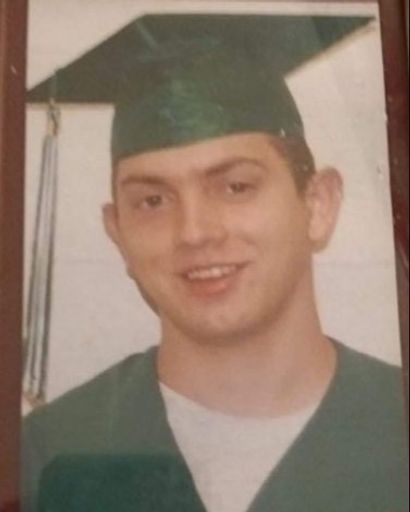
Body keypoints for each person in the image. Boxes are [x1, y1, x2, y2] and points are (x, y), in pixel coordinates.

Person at [22, 19, 408, 512]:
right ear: (117, 233)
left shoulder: (397, 426)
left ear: (317, 206)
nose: (194, 231)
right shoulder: (45, 456)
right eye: (153, 200)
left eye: (236, 187)